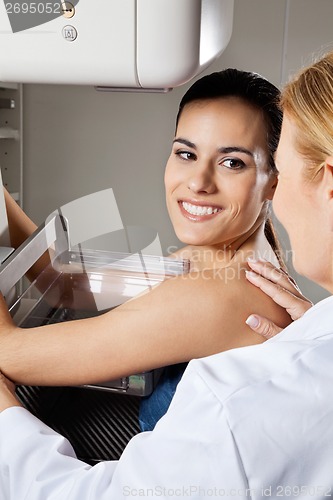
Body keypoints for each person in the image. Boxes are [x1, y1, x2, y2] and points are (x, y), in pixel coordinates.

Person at [1, 49, 333, 498]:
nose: (198, 183)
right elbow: (66, 284)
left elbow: (10, 354)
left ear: (274, 178)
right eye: (185, 153)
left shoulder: (217, 294)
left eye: (232, 162)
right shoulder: (226, 253)